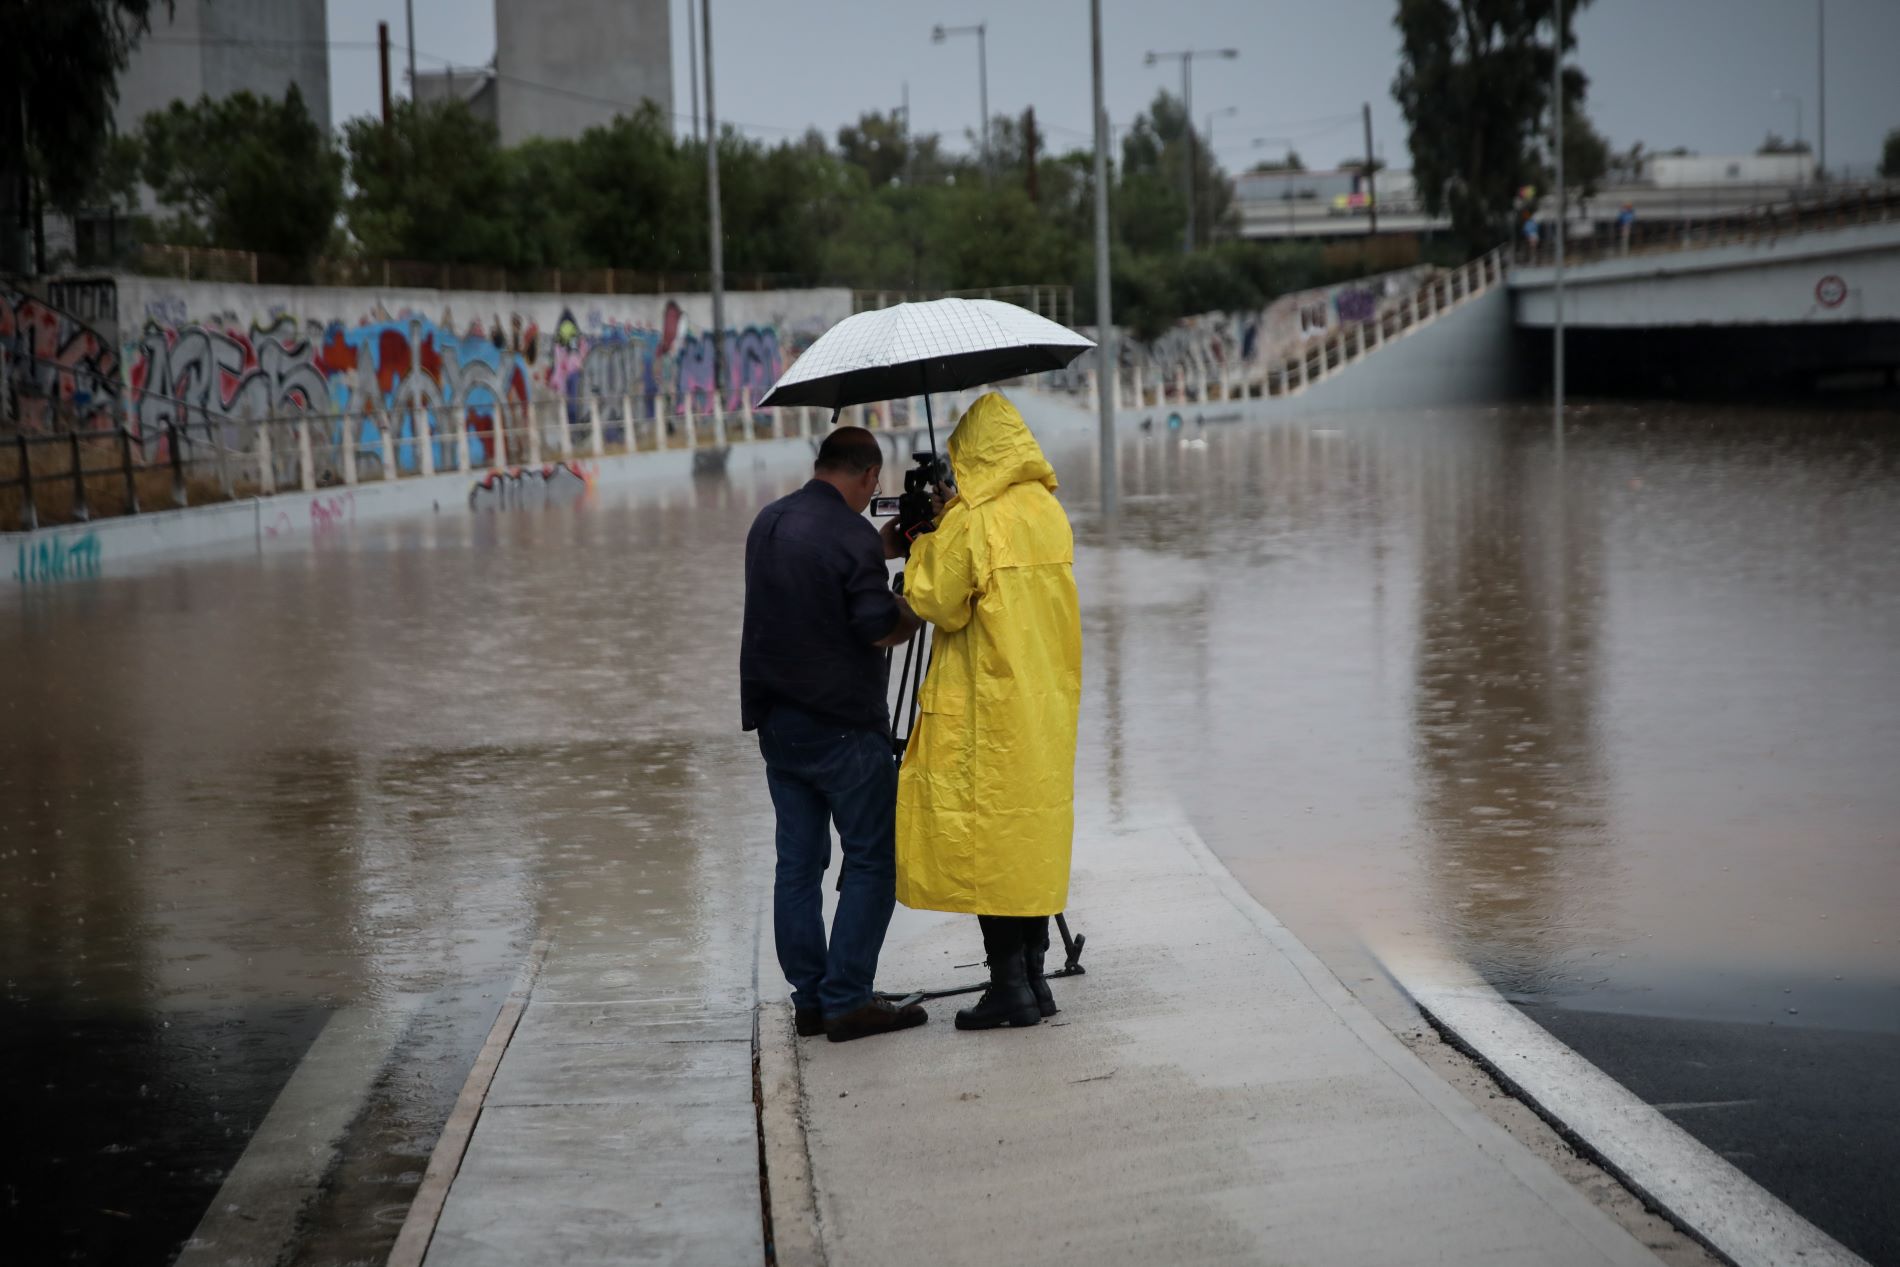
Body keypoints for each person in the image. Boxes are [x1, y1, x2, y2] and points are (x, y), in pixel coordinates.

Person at [894, 393, 1083, 1031]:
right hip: (1044, 702)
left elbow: (935, 600)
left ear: (972, 454)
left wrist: (928, 540)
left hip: (988, 706)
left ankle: (1009, 988)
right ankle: (1034, 978)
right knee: (1028, 835)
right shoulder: (1048, 512)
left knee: (990, 841)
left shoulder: (975, 521)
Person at [741, 425, 927, 1043]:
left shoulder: (768, 522)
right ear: (871, 476)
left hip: (777, 725)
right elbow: (876, 625)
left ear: (821, 464)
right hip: (845, 730)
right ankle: (849, 999)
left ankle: (812, 1000)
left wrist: (875, 550)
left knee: (798, 864)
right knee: (872, 861)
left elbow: (810, 593)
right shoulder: (849, 536)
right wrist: (916, 605)